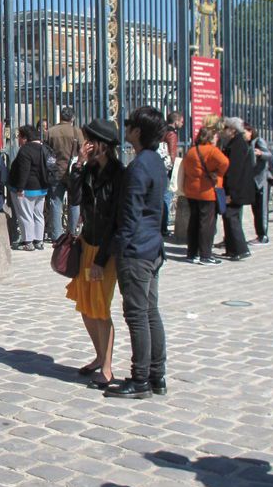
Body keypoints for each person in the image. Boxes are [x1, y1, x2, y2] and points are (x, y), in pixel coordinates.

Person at [104, 106, 168, 400]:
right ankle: (157, 374)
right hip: (152, 245)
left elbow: (129, 214)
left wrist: (119, 248)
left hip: (136, 249)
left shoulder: (139, 166)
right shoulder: (154, 161)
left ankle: (140, 379)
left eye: (129, 124)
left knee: (137, 315)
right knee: (150, 311)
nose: (125, 127)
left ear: (138, 132)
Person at [64, 118, 124, 391]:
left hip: (105, 249)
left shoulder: (118, 174)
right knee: (86, 304)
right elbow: (74, 199)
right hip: (88, 241)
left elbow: (116, 221)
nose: (85, 144)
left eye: (89, 140)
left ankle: (108, 368)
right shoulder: (88, 170)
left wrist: (101, 260)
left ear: (102, 144)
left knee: (100, 307)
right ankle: (99, 356)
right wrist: (78, 166)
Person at [182, 127, 228, 265]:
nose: (216, 139)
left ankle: (192, 253)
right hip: (207, 191)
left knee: (194, 222)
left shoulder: (191, 150)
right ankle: (206, 255)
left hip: (191, 190)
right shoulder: (212, 150)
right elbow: (225, 162)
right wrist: (218, 173)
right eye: (215, 137)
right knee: (206, 224)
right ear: (210, 138)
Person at [10, 124, 52, 251]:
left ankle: (28, 242)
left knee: (26, 215)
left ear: (25, 138)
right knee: (38, 214)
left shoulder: (25, 150)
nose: (18, 140)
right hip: (42, 187)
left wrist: (20, 188)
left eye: (19, 137)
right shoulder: (44, 148)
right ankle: (39, 241)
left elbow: (24, 171)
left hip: (28, 188)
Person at [219, 117, 254, 261]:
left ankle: (241, 249)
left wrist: (231, 192)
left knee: (231, 217)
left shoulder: (237, 145)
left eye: (226, 128)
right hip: (234, 187)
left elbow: (234, 171)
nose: (223, 131)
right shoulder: (234, 143)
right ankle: (231, 248)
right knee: (228, 217)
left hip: (236, 188)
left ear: (233, 130)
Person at [46, 107, 84, 239]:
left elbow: (46, 152)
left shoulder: (51, 132)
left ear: (60, 117)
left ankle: (56, 235)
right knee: (74, 202)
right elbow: (83, 151)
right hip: (73, 172)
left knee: (56, 203)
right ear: (72, 118)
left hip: (56, 171)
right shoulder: (77, 132)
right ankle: (72, 233)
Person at [242, 122, 273, 244]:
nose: (243, 135)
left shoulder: (259, 141)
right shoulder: (246, 143)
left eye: (244, 132)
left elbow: (269, 155)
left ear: (250, 131)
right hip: (253, 180)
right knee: (255, 209)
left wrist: (261, 153)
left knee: (262, 209)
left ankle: (263, 236)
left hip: (262, 179)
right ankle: (259, 234)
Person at [160, 111, 184, 237]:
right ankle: (163, 228)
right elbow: (172, 153)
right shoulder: (172, 134)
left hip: (158, 166)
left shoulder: (161, 130)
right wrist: (174, 168)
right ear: (176, 121)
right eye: (181, 121)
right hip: (167, 168)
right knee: (166, 197)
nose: (182, 124)